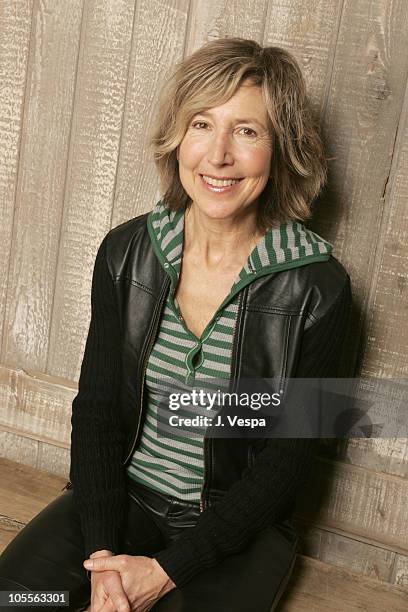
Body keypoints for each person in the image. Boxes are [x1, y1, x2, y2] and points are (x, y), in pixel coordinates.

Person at [0, 37, 351, 612]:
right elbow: (95, 411)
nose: (218, 156)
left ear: (281, 149)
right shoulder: (127, 253)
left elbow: (286, 468)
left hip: (236, 530)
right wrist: (103, 561)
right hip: (117, 507)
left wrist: (164, 573)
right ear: (177, 139)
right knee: (20, 600)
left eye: (247, 131)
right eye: (201, 125)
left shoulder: (321, 289)